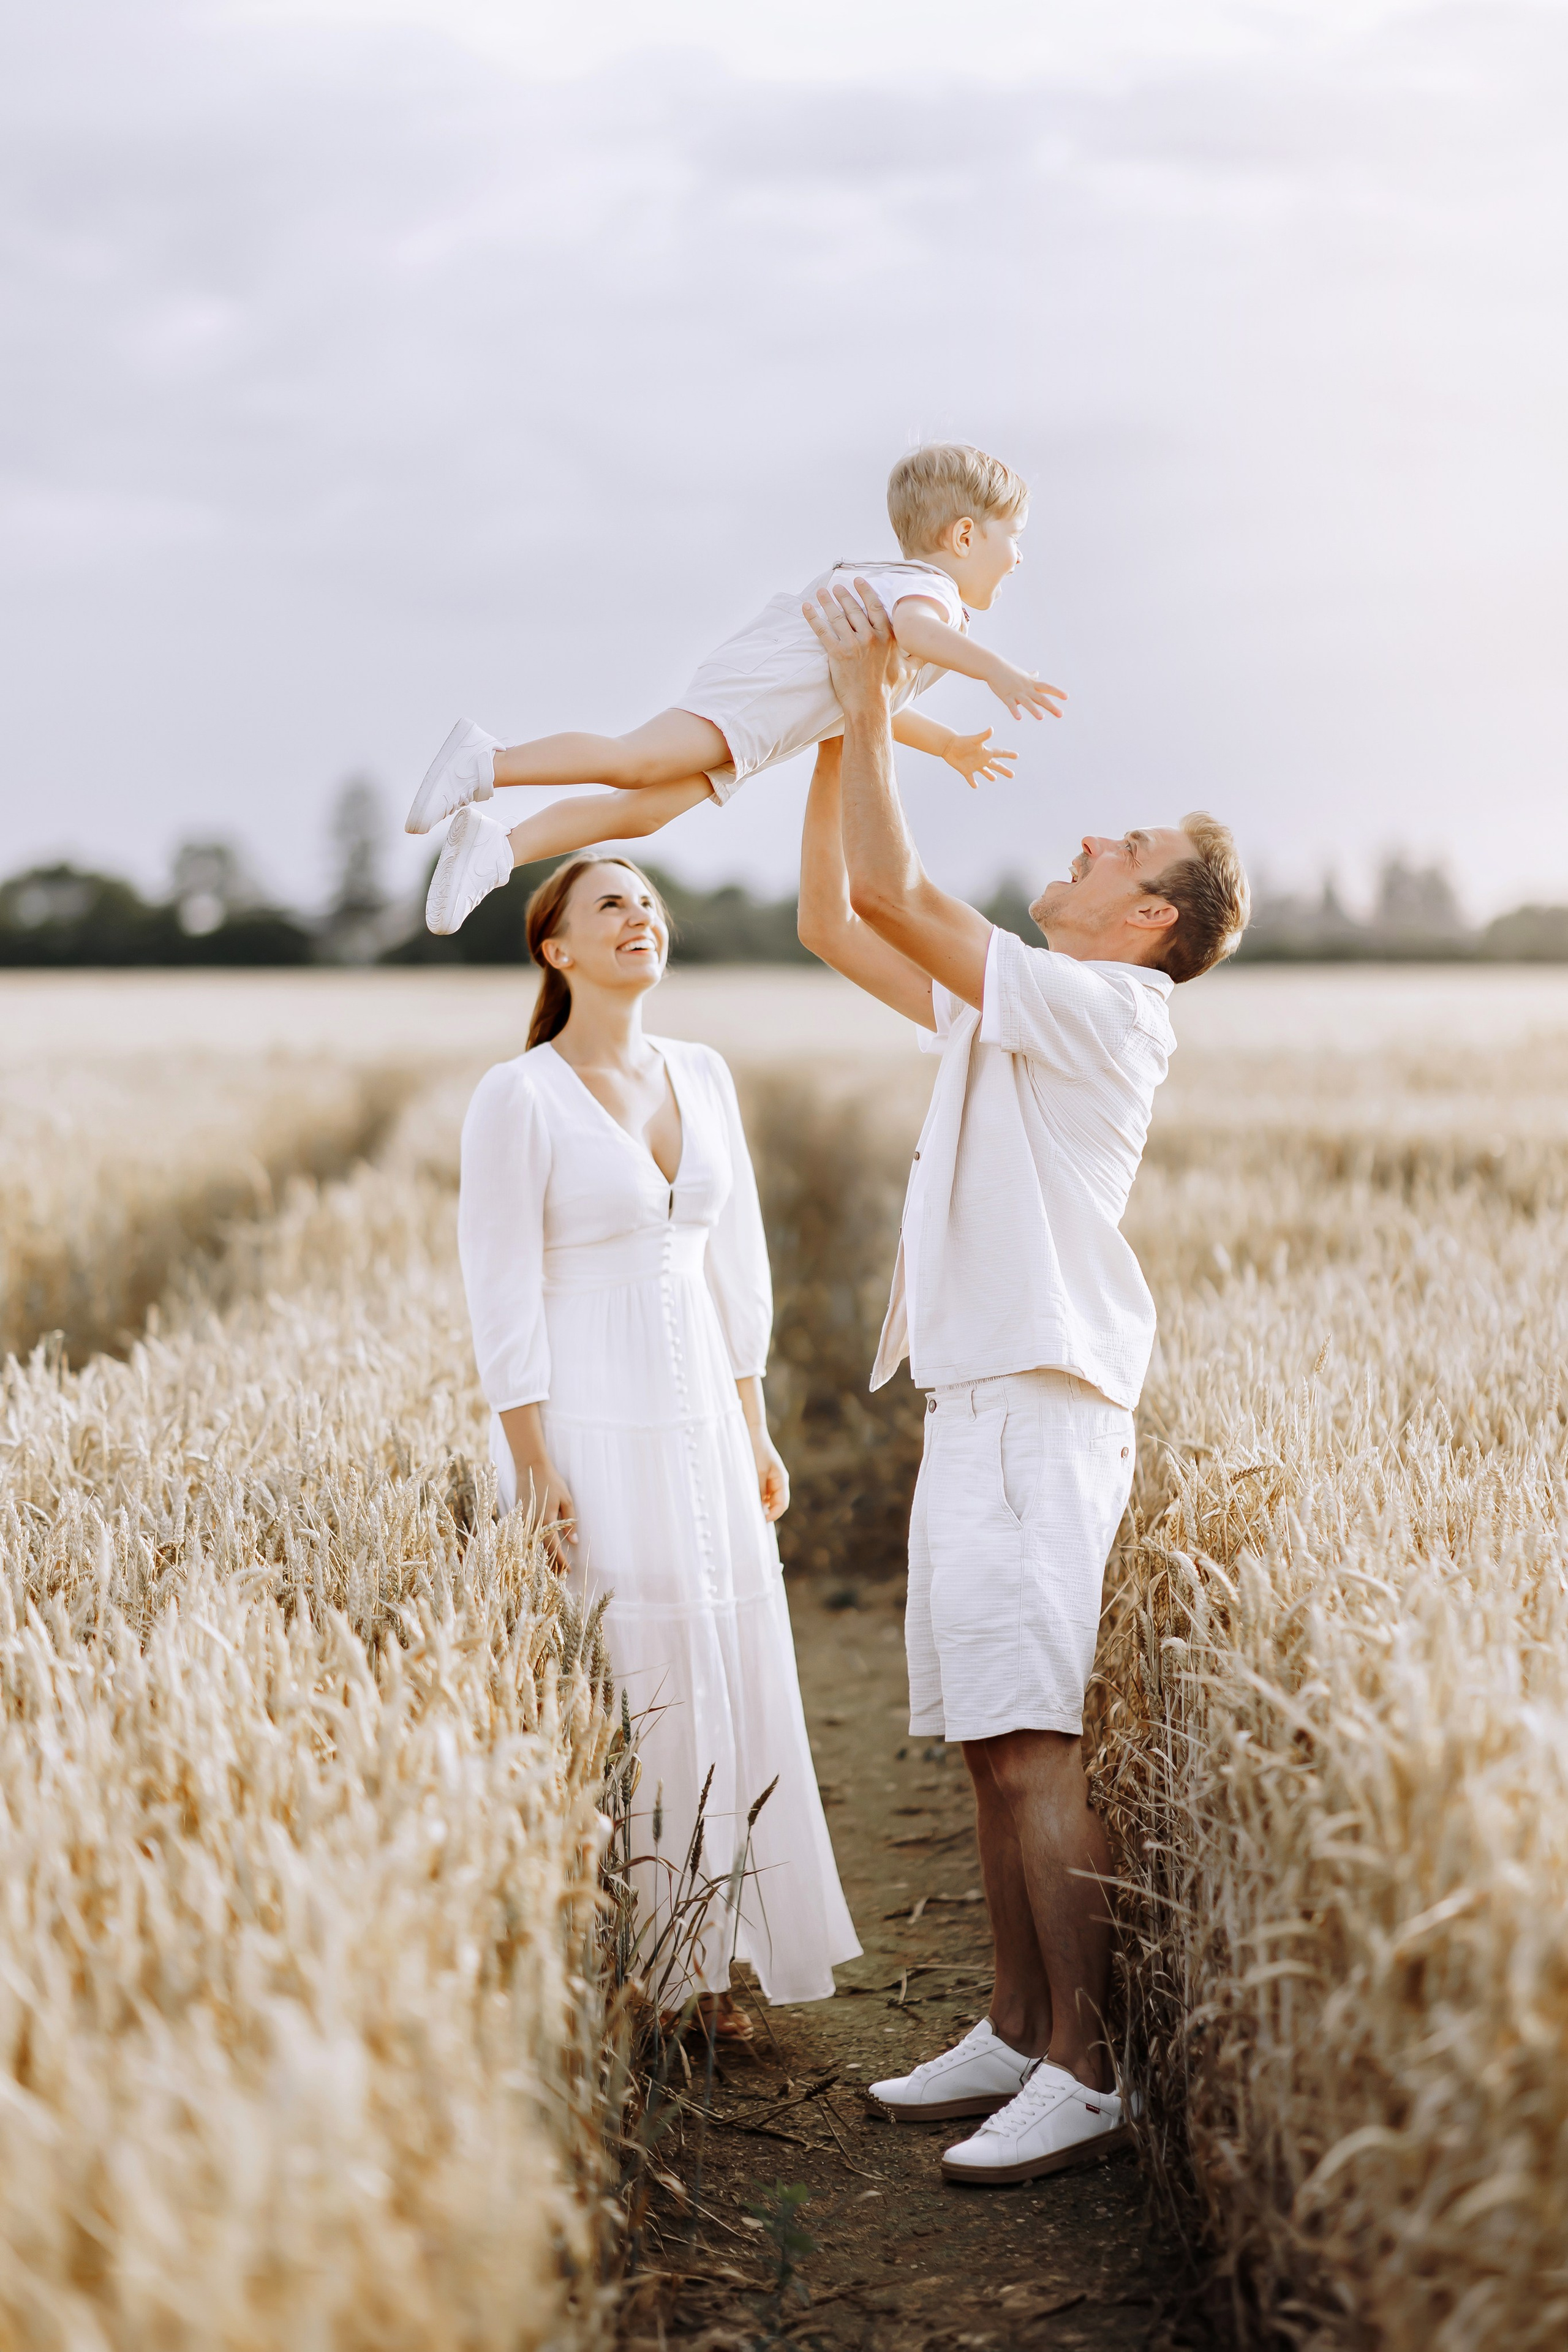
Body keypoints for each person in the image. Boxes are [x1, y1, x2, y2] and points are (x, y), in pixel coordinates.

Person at [794, 581, 1248, 2185]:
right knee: (992, 1743)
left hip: (1044, 1409)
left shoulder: (1109, 1008)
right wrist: (825, 730)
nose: (1089, 842)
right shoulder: (1024, 1005)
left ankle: (1086, 2066)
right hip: (980, 1402)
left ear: (1152, 921)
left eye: (1125, 848)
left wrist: (870, 696)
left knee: (1037, 1741)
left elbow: (897, 888)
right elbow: (836, 918)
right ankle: (1009, 2027)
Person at [457, 853, 859, 2027]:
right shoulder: (519, 1095)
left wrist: (756, 1426)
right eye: (610, 904)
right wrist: (532, 1465)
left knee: (725, 1660)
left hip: (706, 1430)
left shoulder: (704, 1072)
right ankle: (644, 1966)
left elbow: (739, 1271)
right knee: (637, 1679)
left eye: (648, 901)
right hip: (591, 1424)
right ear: (557, 950)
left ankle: (715, 1953)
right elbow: (500, 1293)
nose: (640, 916)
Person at [410, 443, 1065, 937]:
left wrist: (946, 744)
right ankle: (488, 762)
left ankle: (501, 847)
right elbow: (919, 630)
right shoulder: (930, 595)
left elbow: (872, 704)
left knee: (643, 811)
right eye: (1015, 537)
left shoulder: (916, 599)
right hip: (756, 697)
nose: (1020, 556)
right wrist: (996, 670)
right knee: (634, 761)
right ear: (965, 535)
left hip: (767, 724)